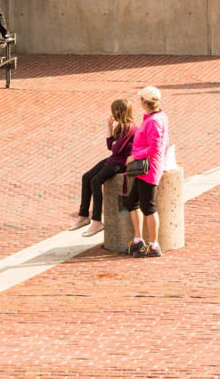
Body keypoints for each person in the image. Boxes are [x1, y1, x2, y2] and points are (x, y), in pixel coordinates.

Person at [69, 99, 137, 237]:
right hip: (115, 158)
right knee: (86, 177)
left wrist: (114, 143)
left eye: (115, 111)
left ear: (121, 112)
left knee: (96, 181)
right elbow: (110, 147)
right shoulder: (121, 127)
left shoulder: (130, 127)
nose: (114, 114)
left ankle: (97, 220)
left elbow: (116, 149)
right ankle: (83, 216)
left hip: (123, 162)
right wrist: (110, 129)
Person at [124, 86, 170, 258]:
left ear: (144, 102)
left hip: (148, 168)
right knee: (132, 202)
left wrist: (135, 156)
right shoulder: (159, 117)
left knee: (148, 207)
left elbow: (155, 147)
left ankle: (154, 245)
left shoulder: (153, 121)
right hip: (147, 167)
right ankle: (138, 240)